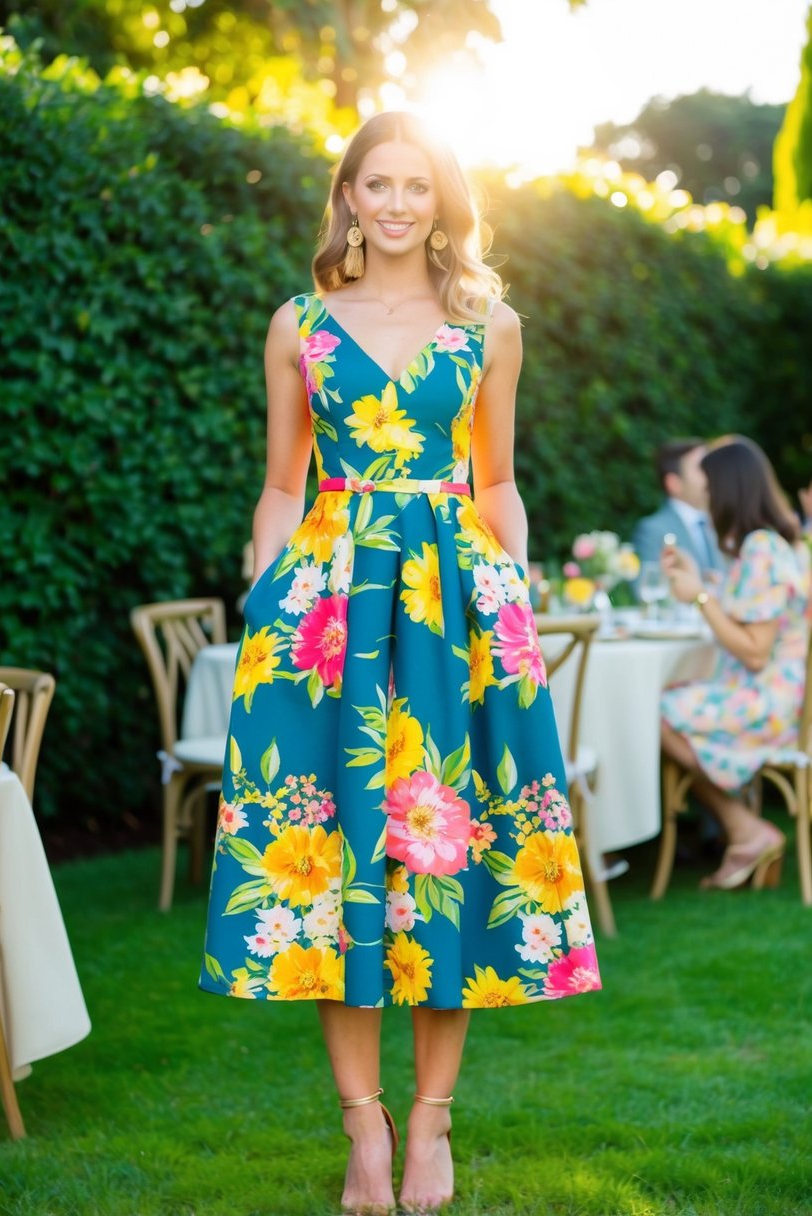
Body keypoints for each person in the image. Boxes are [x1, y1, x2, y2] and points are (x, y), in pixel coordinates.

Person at [199, 111, 601, 1214]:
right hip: (325, 617)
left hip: (451, 615)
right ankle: (360, 1130)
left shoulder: (488, 324)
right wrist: (266, 608)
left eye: (414, 186)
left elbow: (498, 481)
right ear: (347, 196)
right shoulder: (299, 323)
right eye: (375, 184)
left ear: (442, 201)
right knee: (332, 863)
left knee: (442, 857)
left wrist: (509, 598)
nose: (393, 204)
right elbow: (284, 484)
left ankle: (431, 1123)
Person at [659, 436, 810, 891]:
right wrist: (700, 578)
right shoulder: (770, 545)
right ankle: (744, 830)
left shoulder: (762, 549)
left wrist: (700, 597)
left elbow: (754, 649)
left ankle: (746, 830)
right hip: (767, 694)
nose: (702, 493)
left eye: (707, 483)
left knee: (659, 713)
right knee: (670, 699)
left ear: (728, 487)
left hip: (767, 702)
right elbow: (748, 613)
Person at [633, 438, 724, 576]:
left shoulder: (721, 525)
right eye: (701, 468)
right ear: (674, 483)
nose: (711, 474)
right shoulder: (652, 531)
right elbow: (648, 590)